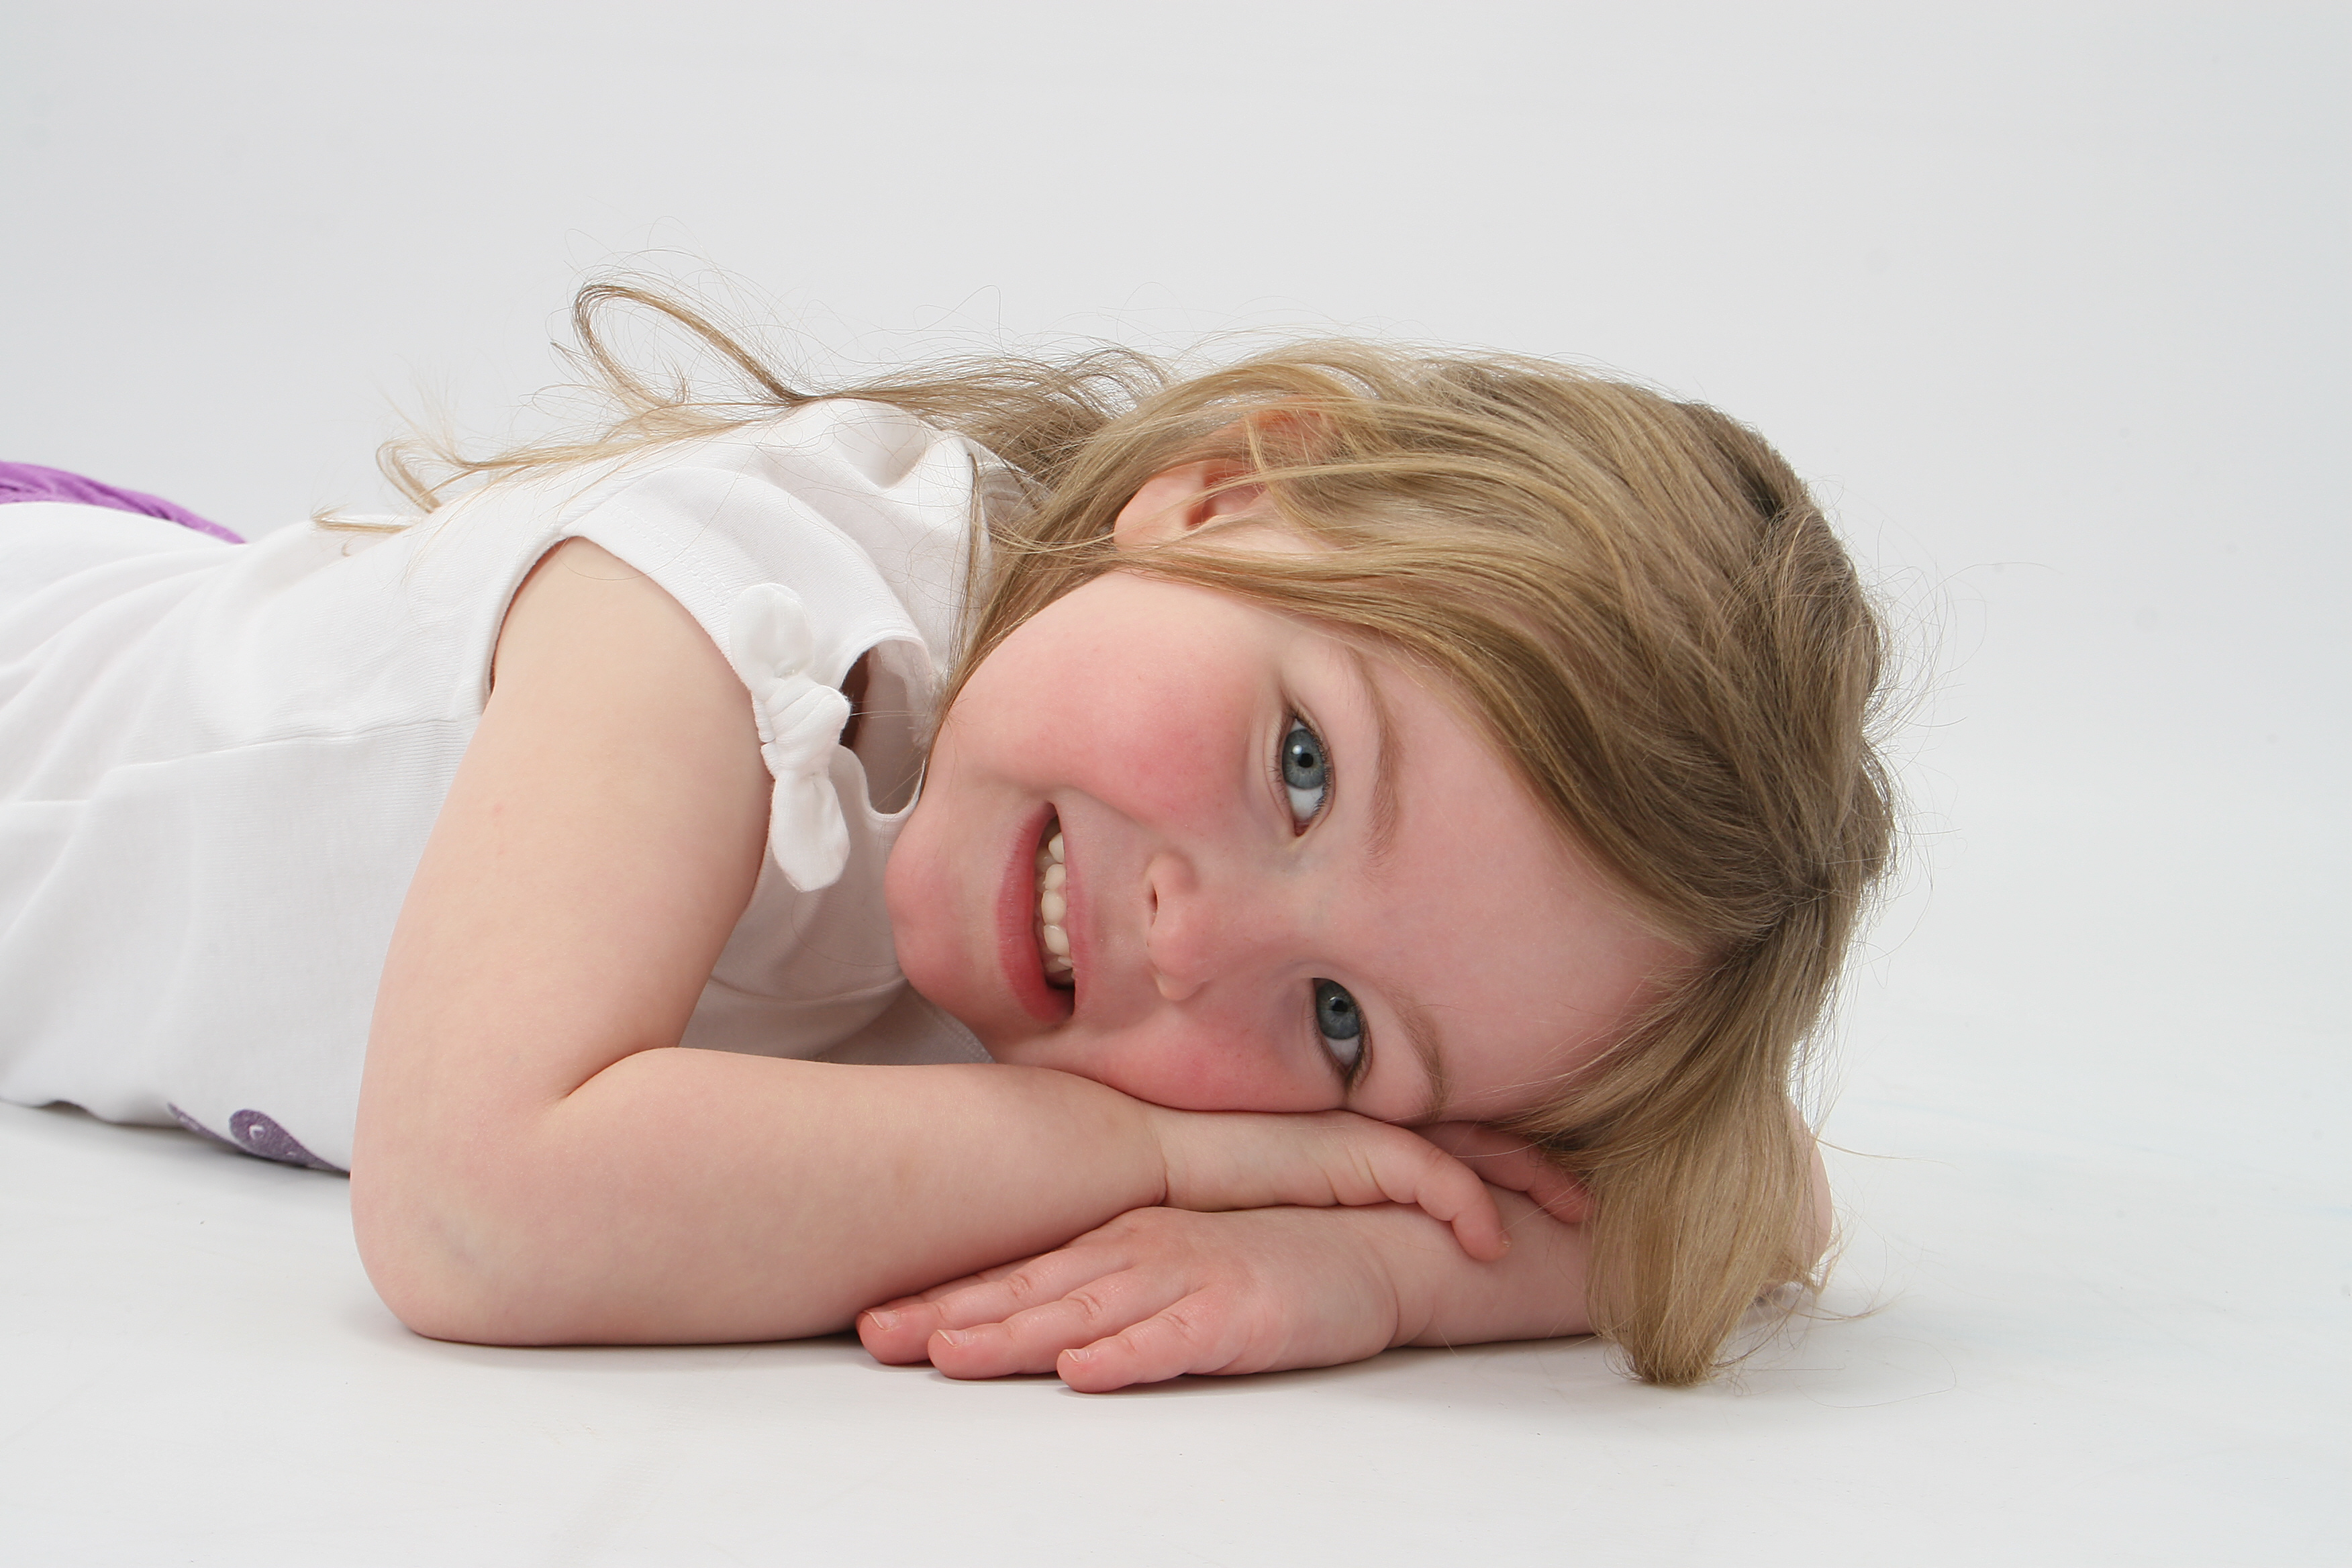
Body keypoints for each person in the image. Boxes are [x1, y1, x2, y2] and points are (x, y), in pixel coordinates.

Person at [0, 283, 1894, 1389]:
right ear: (1221, 490)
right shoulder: (739, 601)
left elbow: (1764, 1196)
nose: (1199, 938)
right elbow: (476, 1210)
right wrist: (1155, 1154)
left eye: (1340, 1028)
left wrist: (1386, 1274)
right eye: (1306, 767)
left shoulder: (1125, 909)